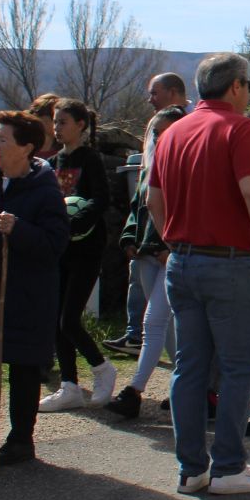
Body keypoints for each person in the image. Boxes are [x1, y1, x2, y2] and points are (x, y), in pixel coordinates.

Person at [148, 53, 250, 496]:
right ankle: (229, 465)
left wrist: (176, 241)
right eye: (249, 85)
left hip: (182, 261)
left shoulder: (173, 132)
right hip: (230, 263)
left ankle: (191, 468)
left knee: (189, 367)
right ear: (235, 87)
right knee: (239, 367)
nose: (249, 93)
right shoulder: (240, 128)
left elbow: (152, 198)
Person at [0, 110, 68, 466]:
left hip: (27, 295)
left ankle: (21, 438)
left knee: (22, 366)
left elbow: (54, 244)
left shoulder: (46, 192)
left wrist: (19, 229)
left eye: (2, 141)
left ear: (27, 148)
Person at [105, 105, 186, 420]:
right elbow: (139, 207)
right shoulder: (150, 166)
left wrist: (168, 246)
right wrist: (129, 238)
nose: (160, 136)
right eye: (156, 130)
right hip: (148, 254)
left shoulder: (183, 169)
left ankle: (134, 393)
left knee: (154, 323)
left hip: (167, 255)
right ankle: (183, 387)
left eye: (167, 130)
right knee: (164, 329)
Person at [38, 99, 116, 412]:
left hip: (86, 248)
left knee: (70, 319)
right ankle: (69, 385)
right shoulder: (53, 162)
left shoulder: (91, 158)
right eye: (55, 122)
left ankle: (102, 368)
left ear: (81, 125)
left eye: (63, 122)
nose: (57, 128)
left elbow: (101, 200)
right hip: (60, 248)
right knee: (56, 319)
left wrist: (76, 221)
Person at [109, 72, 191, 352]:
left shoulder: (186, 125)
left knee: (168, 315)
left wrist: (166, 240)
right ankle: (136, 337)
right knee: (150, 311)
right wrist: (133, 228)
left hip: (172, 238)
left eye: (154, 93)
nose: (149, 100)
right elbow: (145, 178)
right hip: (147, 225)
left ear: (172, 92)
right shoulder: (154, 125)